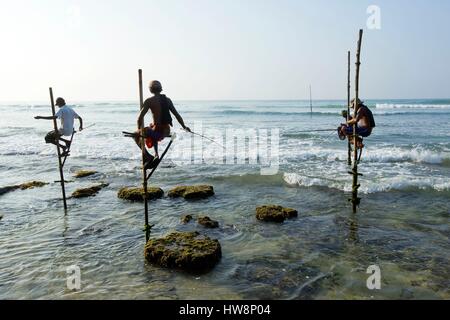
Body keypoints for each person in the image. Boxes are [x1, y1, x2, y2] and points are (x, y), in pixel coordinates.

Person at [133, 80, 190, 166]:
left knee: (135, 134)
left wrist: (139, 132)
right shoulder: (167, 100)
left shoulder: (149, 101)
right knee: (153, 129)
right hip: (165, 131)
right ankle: (156, 155)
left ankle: (148, 157)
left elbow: (139, 118)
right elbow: (177, 115)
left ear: (150, 90)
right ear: (161, 89)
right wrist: (184, 127)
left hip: (157, 132)